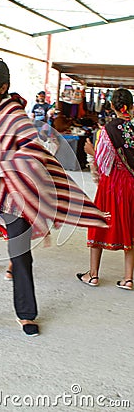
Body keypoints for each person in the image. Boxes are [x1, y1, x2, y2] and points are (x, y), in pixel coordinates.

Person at [0, 56, 107, 337]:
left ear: (3, 88)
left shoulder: (16, 117)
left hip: (15, 195)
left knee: (19, 255)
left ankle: (26, 314)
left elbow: (33, 156)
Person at [77, 88, 134, 290]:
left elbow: (102, 164)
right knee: (130, 227)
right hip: (131, 184)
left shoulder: (108, 130)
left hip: (112, 185)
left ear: (112, 106)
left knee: (99, 224)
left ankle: (93, 275)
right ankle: (128, 279)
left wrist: (90, 150)